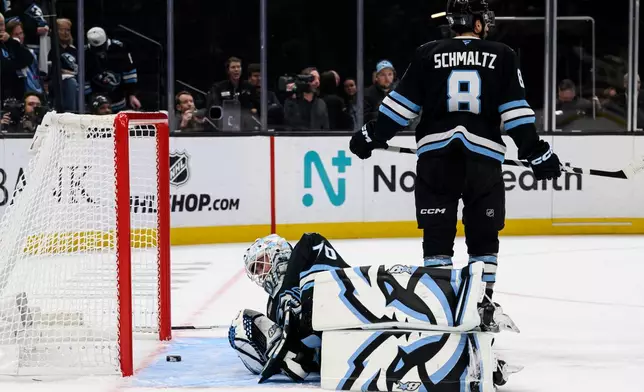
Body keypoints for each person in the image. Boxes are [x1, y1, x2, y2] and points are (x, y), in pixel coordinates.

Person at [348, 0, 562, 332]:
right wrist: (537, 152)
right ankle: (483, 304)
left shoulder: (427, 53)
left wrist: (371, 135)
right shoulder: (502, 54)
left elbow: (400, 109)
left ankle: (440, 305)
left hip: (436, 162)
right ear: (476, 24)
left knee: (436, 242)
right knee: (483, 240)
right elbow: (516, 115)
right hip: (483, 164)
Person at [228, 233, 349, 382]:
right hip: (332, 351)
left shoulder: (308, 253)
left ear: (277, 253)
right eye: (256, 270)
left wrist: (290, 290)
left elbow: (312, 239)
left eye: (261, 263)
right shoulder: (273, 307)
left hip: (345, 305)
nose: (260, 272)